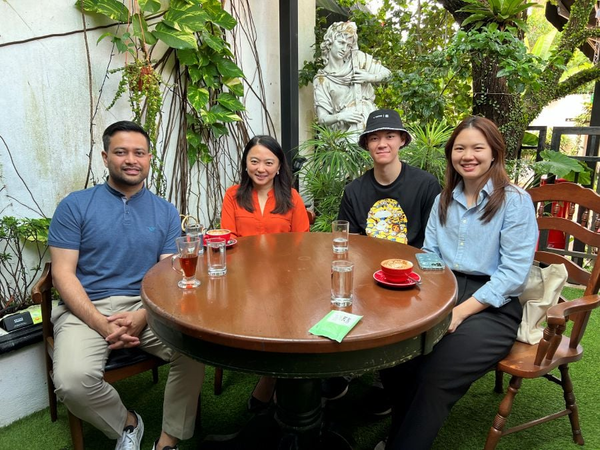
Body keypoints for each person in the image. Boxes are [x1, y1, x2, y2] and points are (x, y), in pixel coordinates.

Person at [378, 116, 538, 449]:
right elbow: (430, 254)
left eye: (478, 147)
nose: (468, 155)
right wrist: (430, 296)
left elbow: (512, 274)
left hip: (494, 304)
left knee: (435, 374)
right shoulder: (443, 199)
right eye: (460, 148)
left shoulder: (515, 202)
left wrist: (461, 312)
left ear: (494, 153)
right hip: (444, 289)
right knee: (397, 360)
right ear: (451, 154)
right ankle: (399, 434)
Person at [48, 121, 205, 450]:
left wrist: (144, 315)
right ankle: (128, 423)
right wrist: (101, 324)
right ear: (106, 157)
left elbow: (167, 274)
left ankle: (168, 441)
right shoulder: (75, 206)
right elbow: (63, 275)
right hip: (86, 309)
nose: (131, 159)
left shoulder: (164, 211)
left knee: (194, 352)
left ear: (149, 159)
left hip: (146, 306)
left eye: (139, 153)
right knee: (72, 381)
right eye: (121, 152)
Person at [326, 109, 441, 416]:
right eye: (375, 138)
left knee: (398, 311)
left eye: (389, 136)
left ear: (402, 140)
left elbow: (435, 241)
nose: (382, 143)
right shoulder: (355, 190)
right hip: (367, 275)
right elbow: (347, 241)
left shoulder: (426, 185)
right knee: (339, 293)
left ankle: (385, 384)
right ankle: (341, 369)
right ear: (367, 145)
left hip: (412, 277)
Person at [221, 135, 310, 410]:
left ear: (279, 166)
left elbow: (303, 242)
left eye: (269, 162)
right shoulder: (233, 195)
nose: (261, 168)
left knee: (291, 317)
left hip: (284, 279)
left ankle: (273, 380)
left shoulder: (292, 197)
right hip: (243, 281)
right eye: (255, 161)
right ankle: (274, 379)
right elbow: (228, 239)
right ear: (246, 164)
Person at [313, 21, 391, 134]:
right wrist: (341, 116)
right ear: (330, 42)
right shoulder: (322, 80)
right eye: (341, 42)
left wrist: (369, 77)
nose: (344, 49)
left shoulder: (358, 60)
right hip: (344, 134)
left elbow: (387, 74)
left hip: (370, 126)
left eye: (349, 45)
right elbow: (322, 118)